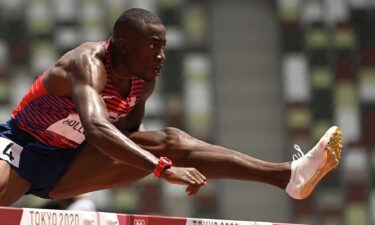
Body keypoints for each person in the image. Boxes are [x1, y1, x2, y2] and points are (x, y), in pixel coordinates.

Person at [0, 8, 342, 206]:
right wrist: (162, 169)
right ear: (123, 45)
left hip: (70, 163)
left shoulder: (142, 81)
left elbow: (126, 137)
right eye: (153, 47)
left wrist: (163, 158)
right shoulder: (87, 63)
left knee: (172, 141)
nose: (161, 57)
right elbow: (96, 128)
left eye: (163, 47)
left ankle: (287, 176)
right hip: (20, 148)